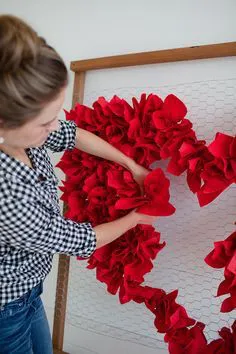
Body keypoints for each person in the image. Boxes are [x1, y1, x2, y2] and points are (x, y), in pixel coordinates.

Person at [0, 15, 157, 354]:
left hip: (28, 290)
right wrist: (135, 218)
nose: (55, 124)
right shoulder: (7, 193)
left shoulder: (22, 130)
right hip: (5, 308)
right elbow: (77, 238)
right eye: (45, 121)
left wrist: (129, 164)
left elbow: (72, 135)